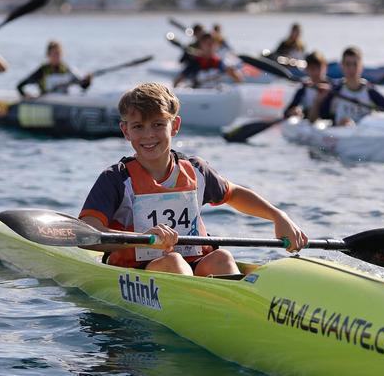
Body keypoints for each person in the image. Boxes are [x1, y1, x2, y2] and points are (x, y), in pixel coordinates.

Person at [78, 82, 308, 276]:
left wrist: (278, 216)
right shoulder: (116, 179)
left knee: (222, 257)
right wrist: (143, 239)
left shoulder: (196, 170)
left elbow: (234, 194)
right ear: (126, 131)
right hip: (138, 272)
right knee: (174, 263)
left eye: (158, 124)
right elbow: (88, 233)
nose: (148, 135)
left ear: (174, 126)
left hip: (192, 266)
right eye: (138, 127)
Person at [312, 46, 384, 126]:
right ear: (342, 66)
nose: (351, 69)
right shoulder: (335, 91)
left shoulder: (369, 90)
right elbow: (314, 120)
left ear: (361, 66)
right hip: (341, 136)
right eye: (348, 64)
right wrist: (318, 101)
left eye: (355, 64)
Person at [16, 41, 91, 98]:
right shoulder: (42, 71)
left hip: (63, 101)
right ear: (48, 55)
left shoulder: (67, 69)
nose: (56, 57)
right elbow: (20, 86)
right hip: (47, 102)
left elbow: (83, 85)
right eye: (54, 54)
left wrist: (88, 81)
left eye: (58, 54)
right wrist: (26, 95)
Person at [173, 33, 242, 88]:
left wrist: (234, 74)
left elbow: (237, 79)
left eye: (213, 44)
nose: (211, 47)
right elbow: (178, 80)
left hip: (217, 93)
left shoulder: (219, 62)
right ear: (201, 45)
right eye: (208, 44)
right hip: (200, 95)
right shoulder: (195, 62)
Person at [283, 51, 331, 119]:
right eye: (313, 69)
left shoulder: (333, 89)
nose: (316, 72)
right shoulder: (303, 89)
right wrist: (292, 112)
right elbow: (286, 112)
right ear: (307, 70)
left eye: (319, 68)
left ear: (325, 68)